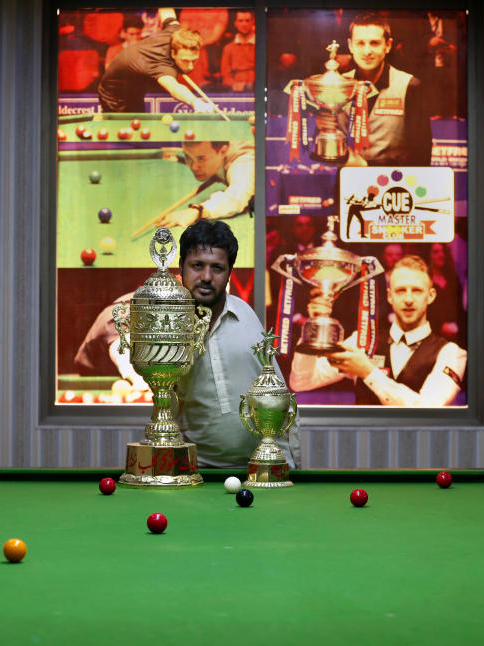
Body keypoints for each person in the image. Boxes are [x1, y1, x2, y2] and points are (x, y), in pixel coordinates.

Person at [175, 220, 299, 468]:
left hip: (260, 468)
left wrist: (290, 462)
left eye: (217, 268)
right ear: (181, 268)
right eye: (197, 266)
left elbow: (279, 399)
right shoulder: (169, 328)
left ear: (229, 272)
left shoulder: (247, 320)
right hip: (196, 471)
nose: (206, 277)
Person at [290, 254, 465, 406]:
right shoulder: (362, 341)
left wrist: (368, 372)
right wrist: (313, 326)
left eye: (417, 291)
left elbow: (428, 409)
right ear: (390, 296)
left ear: (431, 296)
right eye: (401, 290)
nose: (409, 299)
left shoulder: (452, 354)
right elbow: (301, 382)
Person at [340, 12, 432, 166]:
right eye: (360, 43)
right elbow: (325, 141)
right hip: (347, 182)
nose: (367, 51)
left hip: (393, 183)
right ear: (350, 45)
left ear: (387, 45)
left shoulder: (409, 86)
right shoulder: (337, 85)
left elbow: (421, 153)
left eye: (374, 43)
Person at [98, 8, 217, 113]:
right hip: (115, 93)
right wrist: (195, 102)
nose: (190, 67)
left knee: (138, 125)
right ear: (173, 53)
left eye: (194, 61)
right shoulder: (160, 65)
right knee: (127, 134)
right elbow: (174, 87)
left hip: (136, 83)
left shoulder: (175, 32)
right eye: (185, 61)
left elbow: (166, 11)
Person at [154, 140, 255, 228]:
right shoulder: (213, 153)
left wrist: (195, 211)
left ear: (223, 151)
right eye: (188, 157)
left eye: (201, 159)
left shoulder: (243, 163)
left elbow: (235, 198)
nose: (194, 167)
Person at [220, 10, 255, 92]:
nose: (244, 24)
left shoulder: (259, 45)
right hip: (235, 89)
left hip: (256, 87)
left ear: (253, 22)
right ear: (235, 23)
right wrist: (234, 84)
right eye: (240, 21)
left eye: (247, 20)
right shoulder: (228, 48)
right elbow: (225, 74)